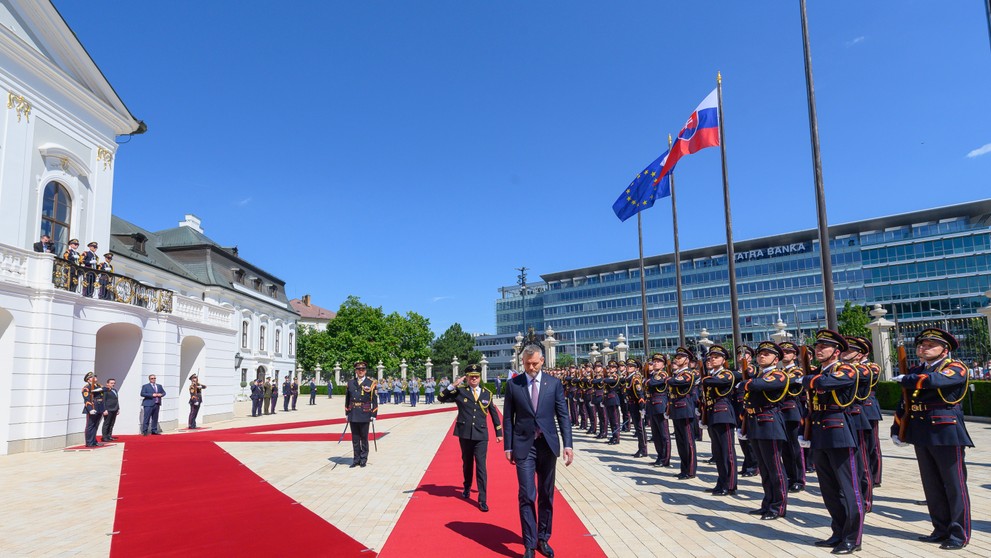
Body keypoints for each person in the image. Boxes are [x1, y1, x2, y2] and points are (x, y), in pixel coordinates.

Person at [891, 328, 973, 551]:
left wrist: (909, 378)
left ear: (944, 349)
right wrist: (897, 428)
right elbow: (904, 403)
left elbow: (935, 381)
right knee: (932, 485)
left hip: (946, 433)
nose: (923, 348)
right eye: (921, 345)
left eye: (930, 345)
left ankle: (959, 533)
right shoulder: (916, 370)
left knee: (954, 485)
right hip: (922, 431)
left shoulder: (955, 367)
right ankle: (940, 529)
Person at [503, 345, 573, 558]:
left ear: (542, 361)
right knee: (526, 494)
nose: (531, 367)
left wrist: (568, 445)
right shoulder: (514, 385)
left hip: (547, 445)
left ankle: (543, 538)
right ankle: (529, 544)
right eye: (527, 363)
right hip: (524, 446)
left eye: (535, 363)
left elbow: (563, 416)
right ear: (522, 362)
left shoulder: (554, 384)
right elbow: (508, 417)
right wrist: (508, 446)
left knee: (546, 494)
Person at [799, 330, 863, 554]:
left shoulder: (845, 368)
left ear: (836, 351)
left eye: (823, 347)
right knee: (829, 489)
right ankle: (838, 531)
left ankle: (853, 538)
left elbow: (825, 383)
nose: (818, 350)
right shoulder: (818, 372)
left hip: (839, 432)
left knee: (849, 488)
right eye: (817, 346)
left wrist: (808, 379)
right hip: (819, 432)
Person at [438, 364, 503, 512]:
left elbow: (493, 413)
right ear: (466, 378)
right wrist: (452, 385)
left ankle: (482, 499)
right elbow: (441, 398)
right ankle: (467, 486)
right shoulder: (460, 392)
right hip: (465, 434)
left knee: (481, 466)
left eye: (476, 376)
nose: (474, 379)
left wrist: (499, 432)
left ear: (480, 378)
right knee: (467, 463)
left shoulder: (487, 393)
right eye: (471, 376)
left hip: (481, 435)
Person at [743, 341, 790, 521]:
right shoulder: (759, 375)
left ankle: (779, 506)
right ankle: (767, 502)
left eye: (766, 354)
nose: (761, 356)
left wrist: (747, 383)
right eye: (760, 354)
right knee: (764, 468)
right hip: (756, 423)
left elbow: (757, 386)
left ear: (776, 359)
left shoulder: (778, 375)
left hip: (770, 423)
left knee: (775, 468)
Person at [700, 345, 737, 495]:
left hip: (723, 414)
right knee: (718, 452)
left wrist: (704, 377)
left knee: (727, 452)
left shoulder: (726, 374)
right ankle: (721, 482)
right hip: (712, 415)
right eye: (711, 357)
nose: (712, 359)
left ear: (723, 360)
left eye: (716, 357)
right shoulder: (711, 374)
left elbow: (714, 382)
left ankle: (730, 485)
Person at [777, 341, 807, 492]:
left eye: (788, 352)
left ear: (794, 355)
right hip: (780, 412)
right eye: (783, 352)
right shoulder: (780, 371)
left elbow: (788, 383)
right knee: (785, 449)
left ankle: (799, 479)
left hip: (792, 411)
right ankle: (790, 477)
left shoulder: (797, 371)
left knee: (795, 448)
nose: (785, 355)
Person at [667, 347, 698, 480]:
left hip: (685, 410)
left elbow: (674, 382)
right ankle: (684, 469)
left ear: (686, 361)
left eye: (680, 358)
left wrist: (668, 380)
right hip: (677, 409)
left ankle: (690, 470)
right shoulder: (677, 374)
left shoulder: (688, 374)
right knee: (680, 442)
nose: (676, 359)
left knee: (688, 441)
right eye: (676, 357)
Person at [344, 362, 378, 468]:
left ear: (365, 371)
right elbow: (347, 399)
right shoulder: (350, 383)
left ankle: (363, 459)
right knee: (355, 439)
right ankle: (356, 459)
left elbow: (374, 400)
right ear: (356, 371)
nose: (360, 371)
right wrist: (347, 413)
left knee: (364, 438)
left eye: (362, 369)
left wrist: (374, 414)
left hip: (365, 413)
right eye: (359, 369)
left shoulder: (371, 383)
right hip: (353, 413)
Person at [646, 353, 672, 468]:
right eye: (654, 361)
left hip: (660, 405)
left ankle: (665, 458)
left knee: (663, 434)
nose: (655, 363)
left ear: (663, 365)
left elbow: (651, 383)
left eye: (658, 361)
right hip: (652, 405)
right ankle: (659, 456)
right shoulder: (653, 374)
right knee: (656, 434)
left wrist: (646, 382)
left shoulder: (662, 374)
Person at [81, 372, 106, 447]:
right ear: (88, 379)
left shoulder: (99, 386)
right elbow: (87, 399)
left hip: (99, 407)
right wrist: (90, 409)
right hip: (93, 407)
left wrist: (104, 408)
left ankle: (94, 441)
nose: (95, 378)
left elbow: (103, 396)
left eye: (95, 376)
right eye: (92, 377)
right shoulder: (87, 388)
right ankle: (89, 442)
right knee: (90, 426)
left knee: (96, 425)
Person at [102, 378, 120, 442]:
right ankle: (104, 437)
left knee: (112, 423)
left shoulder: (115, 390)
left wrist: (118, 408)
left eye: (114, 383)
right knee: (107, 423)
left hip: (114, 409)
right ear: (107, 384)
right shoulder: (105, 391)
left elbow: (116, 400)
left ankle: (109, 436)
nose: (113, 384)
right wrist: (104, 409)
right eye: (111, 383)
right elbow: (103, 400)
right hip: (108, 409)